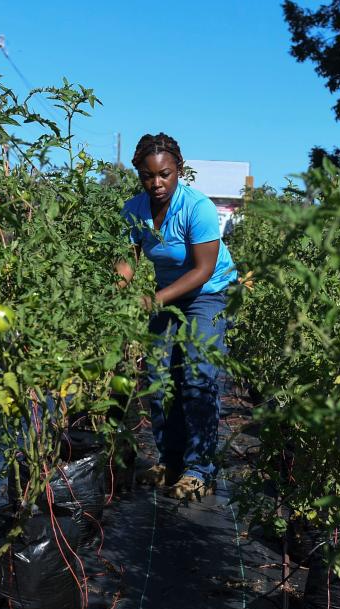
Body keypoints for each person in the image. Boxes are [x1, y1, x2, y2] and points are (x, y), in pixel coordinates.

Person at [117, 133, 237, 500]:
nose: (157, 183)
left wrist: (154, 300)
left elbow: (203, 270)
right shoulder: (134, 209)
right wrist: (117, 294)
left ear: (178, 171)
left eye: (165, 175)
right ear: (139, 174)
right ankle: (169, 460)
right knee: (158, 374)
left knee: (197, 374)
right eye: (148, 176)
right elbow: (127, 259)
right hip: (168, 296)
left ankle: (200, 468)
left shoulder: (196, 207)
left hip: (209, 293)